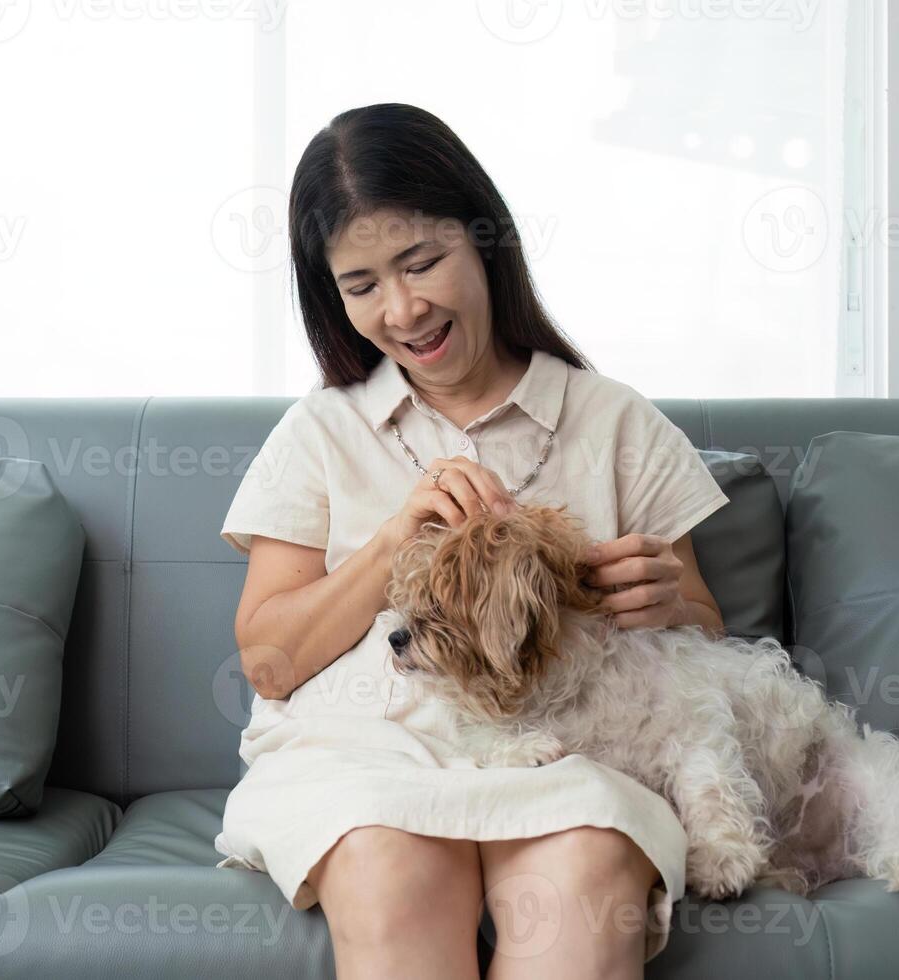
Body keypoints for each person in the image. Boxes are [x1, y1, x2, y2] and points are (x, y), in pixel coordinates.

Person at [212, 103, 730, 980]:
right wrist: (387, 549)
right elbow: (267, 660)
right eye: (363, 283)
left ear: (485, 243)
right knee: (390, 866)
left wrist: (669, 603)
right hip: (360, 758)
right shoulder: (322, 432)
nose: (403, 308)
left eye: (423, 262)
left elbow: (709, 637)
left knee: (585, 873)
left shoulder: (611, 421)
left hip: (570, 750)